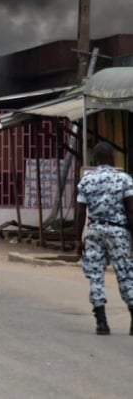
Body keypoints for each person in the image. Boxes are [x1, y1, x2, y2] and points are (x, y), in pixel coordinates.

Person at [76, 141, 133, 335]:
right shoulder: (124, 179)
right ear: (112, 157)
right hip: (118, 232)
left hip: (94, 232)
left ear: (95, 159)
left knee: (96, 276)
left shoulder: (86, 181)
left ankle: (101, 322)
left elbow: (80, 212)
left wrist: (78, 240)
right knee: (125, 274)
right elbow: (131, 210)